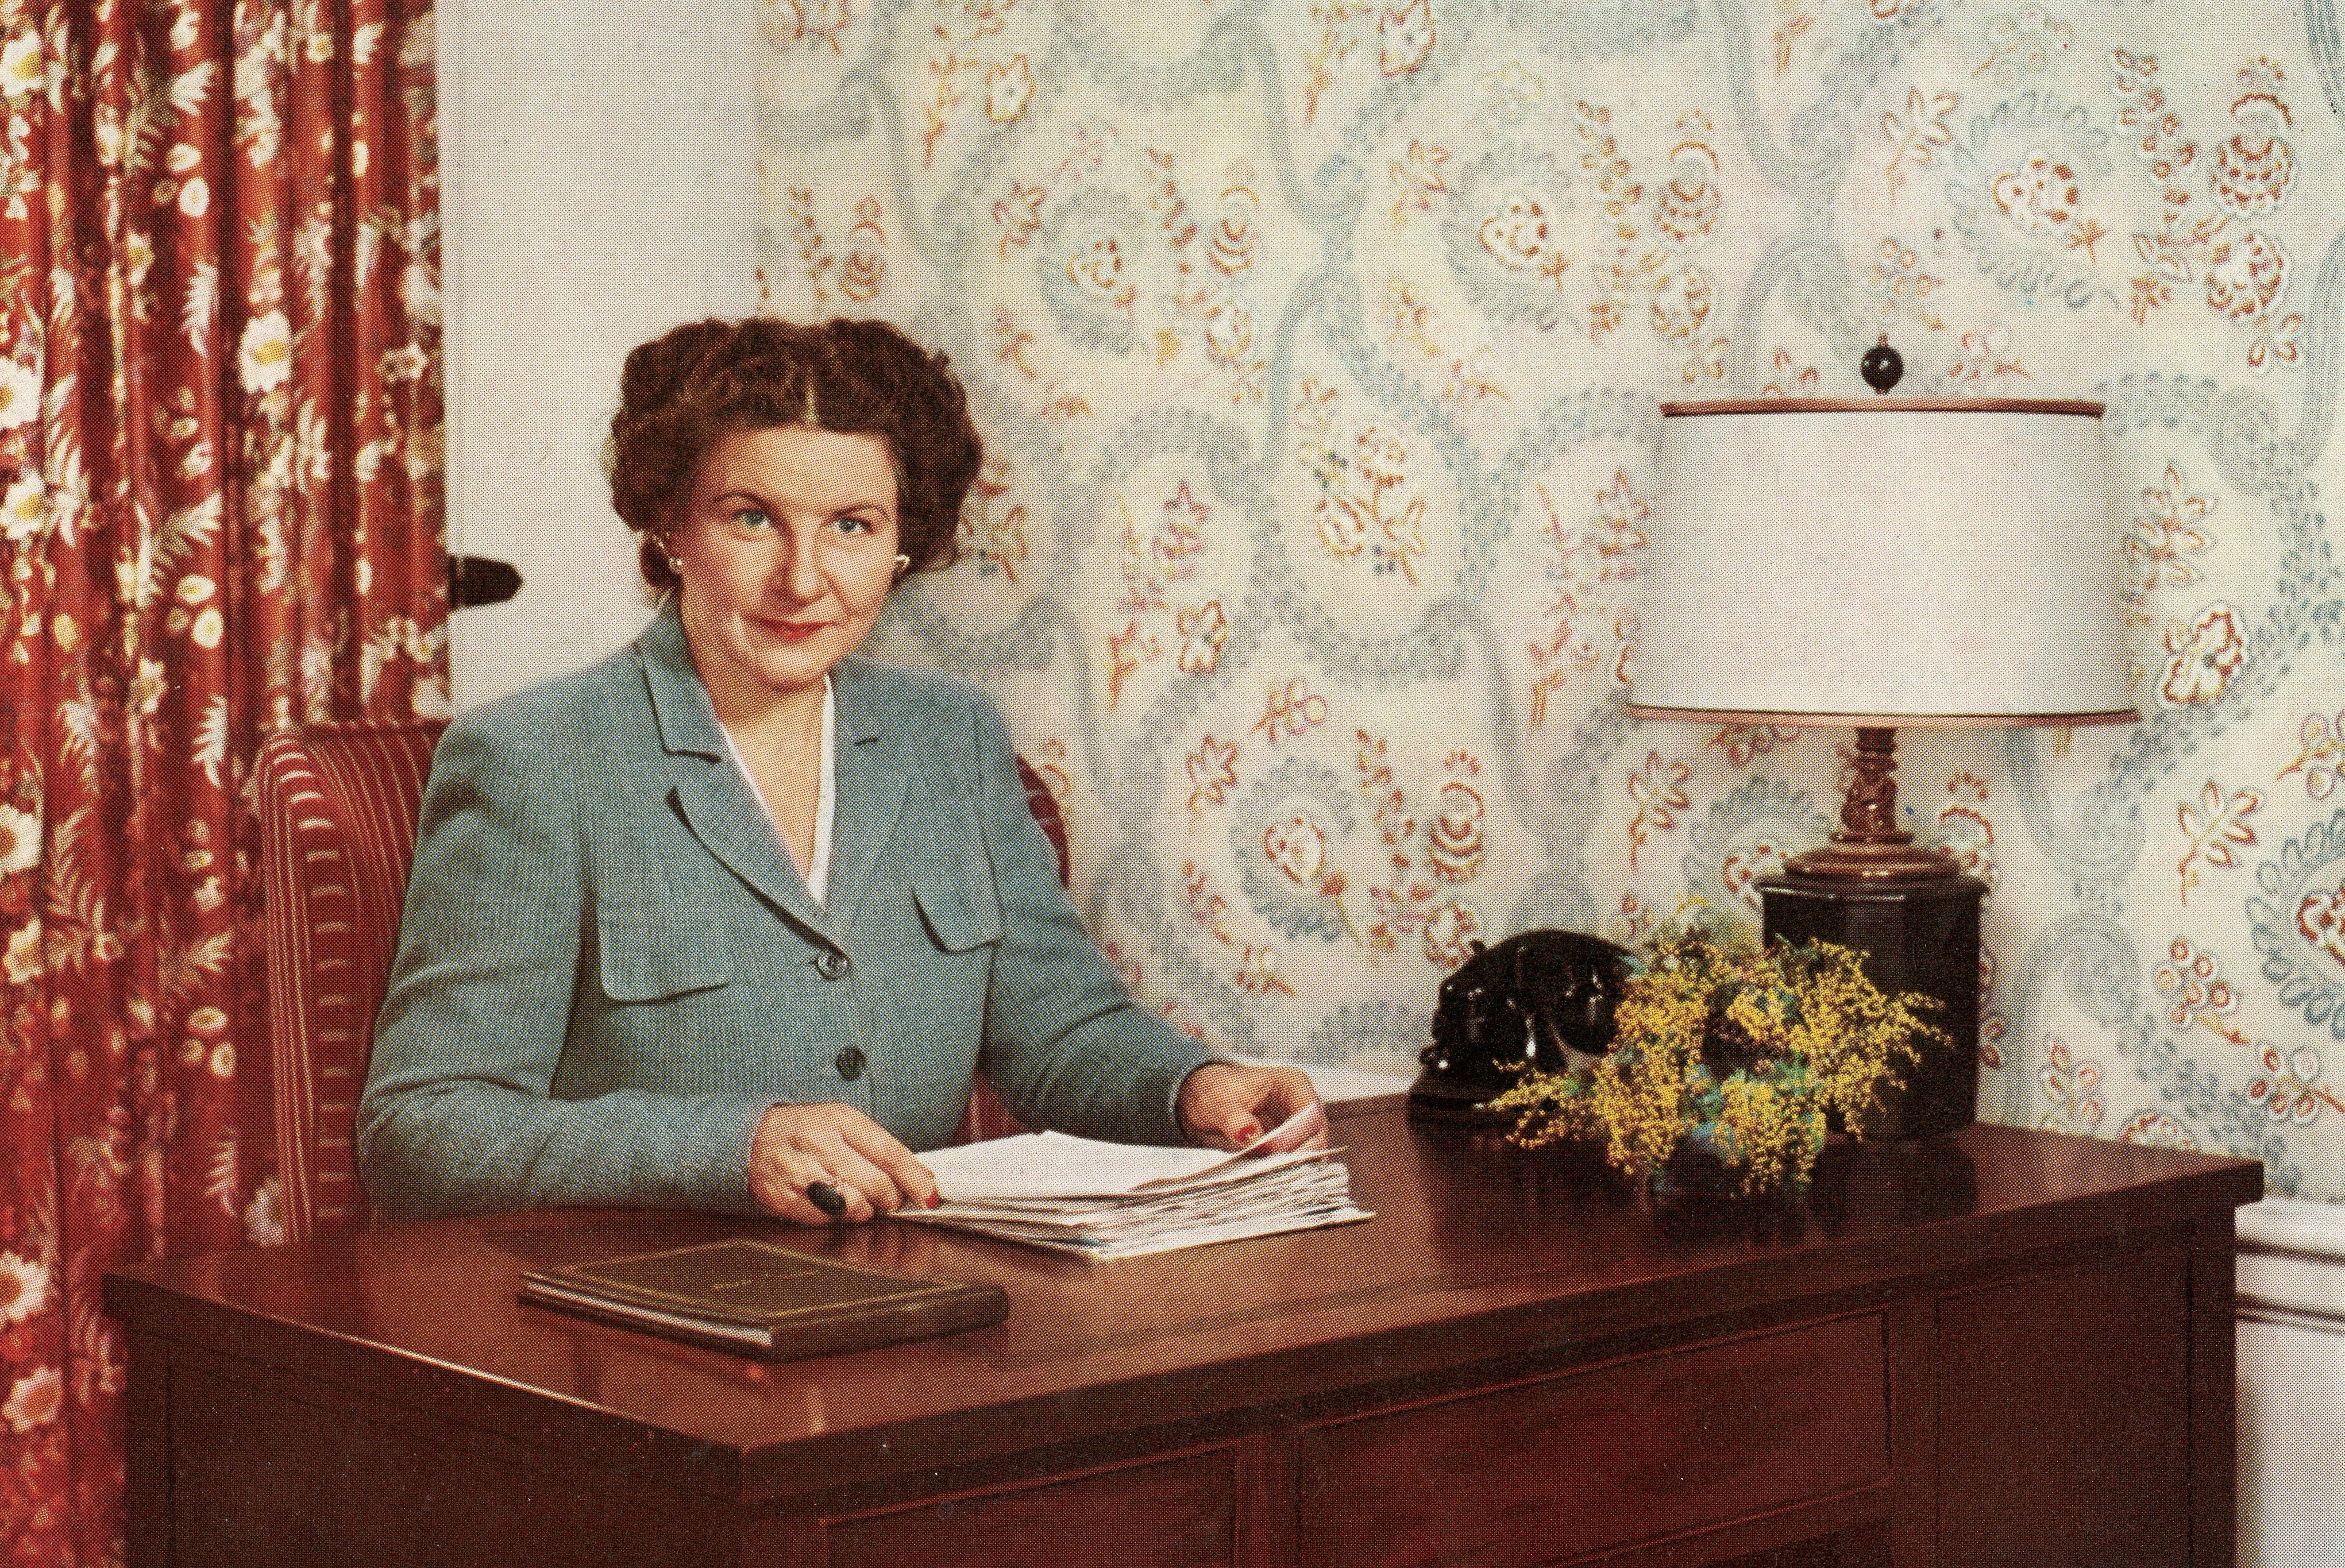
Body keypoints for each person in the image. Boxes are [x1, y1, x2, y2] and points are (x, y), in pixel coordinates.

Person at [356, 317, 1321, 1226]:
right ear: (671, 530)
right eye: (751, 519)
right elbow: (420, 1130)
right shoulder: (535, 760)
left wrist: (1191, 1087)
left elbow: (1057, 1031)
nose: (804, 579)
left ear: (903, 543)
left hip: (925, 1297)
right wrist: (731, 1149)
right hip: (643, 1320)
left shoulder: (951, 736)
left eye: (852, 525)